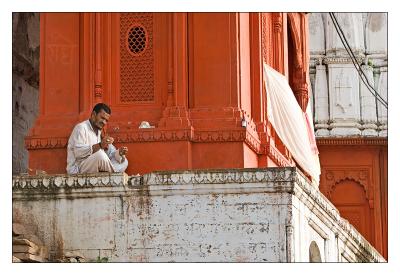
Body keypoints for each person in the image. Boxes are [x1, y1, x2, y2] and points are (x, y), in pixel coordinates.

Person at [66, 103, 128, 174]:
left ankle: (107, 174)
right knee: (100, 155)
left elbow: (111, 153)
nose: (104, 122)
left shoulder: (99, 131)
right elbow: (78, 153)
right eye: (102, 118)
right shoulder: (81, 128)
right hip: (78, 168)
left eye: (106, 120)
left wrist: (119, 153)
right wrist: (100, 145)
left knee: (124, 161)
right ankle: (112, 174)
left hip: (95, 166)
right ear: (93, 114)